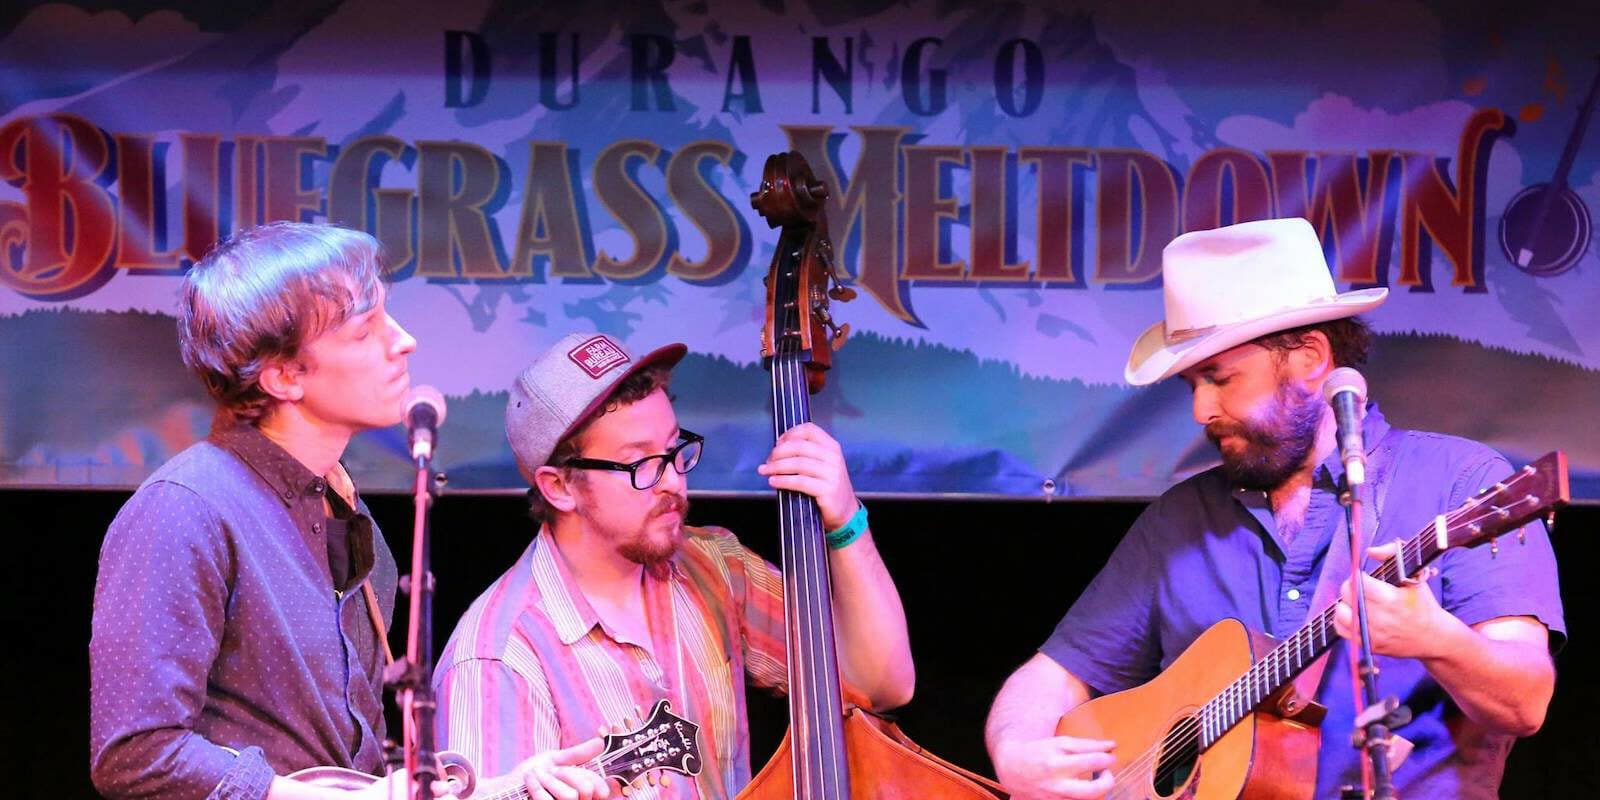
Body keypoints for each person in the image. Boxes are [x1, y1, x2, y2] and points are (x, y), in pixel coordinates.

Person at [984, 217, 1564, 799]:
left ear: (1310, 359)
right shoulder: (1180, 520)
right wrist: (1016, 750)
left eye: (1220, 378)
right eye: (1193, 385)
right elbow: (1049, 679)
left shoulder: (1460, 482)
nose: (1201, 410)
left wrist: (1438, 638)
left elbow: (1526, 702)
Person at [88, 222, 594, 800]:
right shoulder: (184, 510)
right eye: (364, 331)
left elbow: (361, 774)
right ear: (283, 375)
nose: (403, 341)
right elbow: (135, 753)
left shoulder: (350, 518)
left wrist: (501, 787)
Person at [432, 332, 917, 799]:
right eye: (640, 463)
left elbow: (881, 686)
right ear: (559, 486)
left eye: (673, 448)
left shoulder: (715, 567)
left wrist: (846, 521)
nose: (672, 482)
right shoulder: (497, 659)